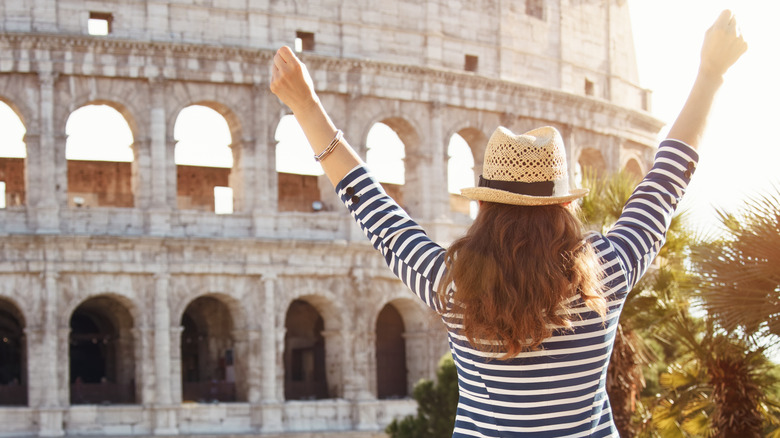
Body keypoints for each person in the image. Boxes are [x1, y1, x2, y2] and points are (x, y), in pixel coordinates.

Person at [270, 10, 746, 438]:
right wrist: (710, 75)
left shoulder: (452, 286)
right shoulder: (608, 273)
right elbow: (667, 178)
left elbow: (372, 207)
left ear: (486, 206)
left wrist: (307, 107)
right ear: (562, 206)